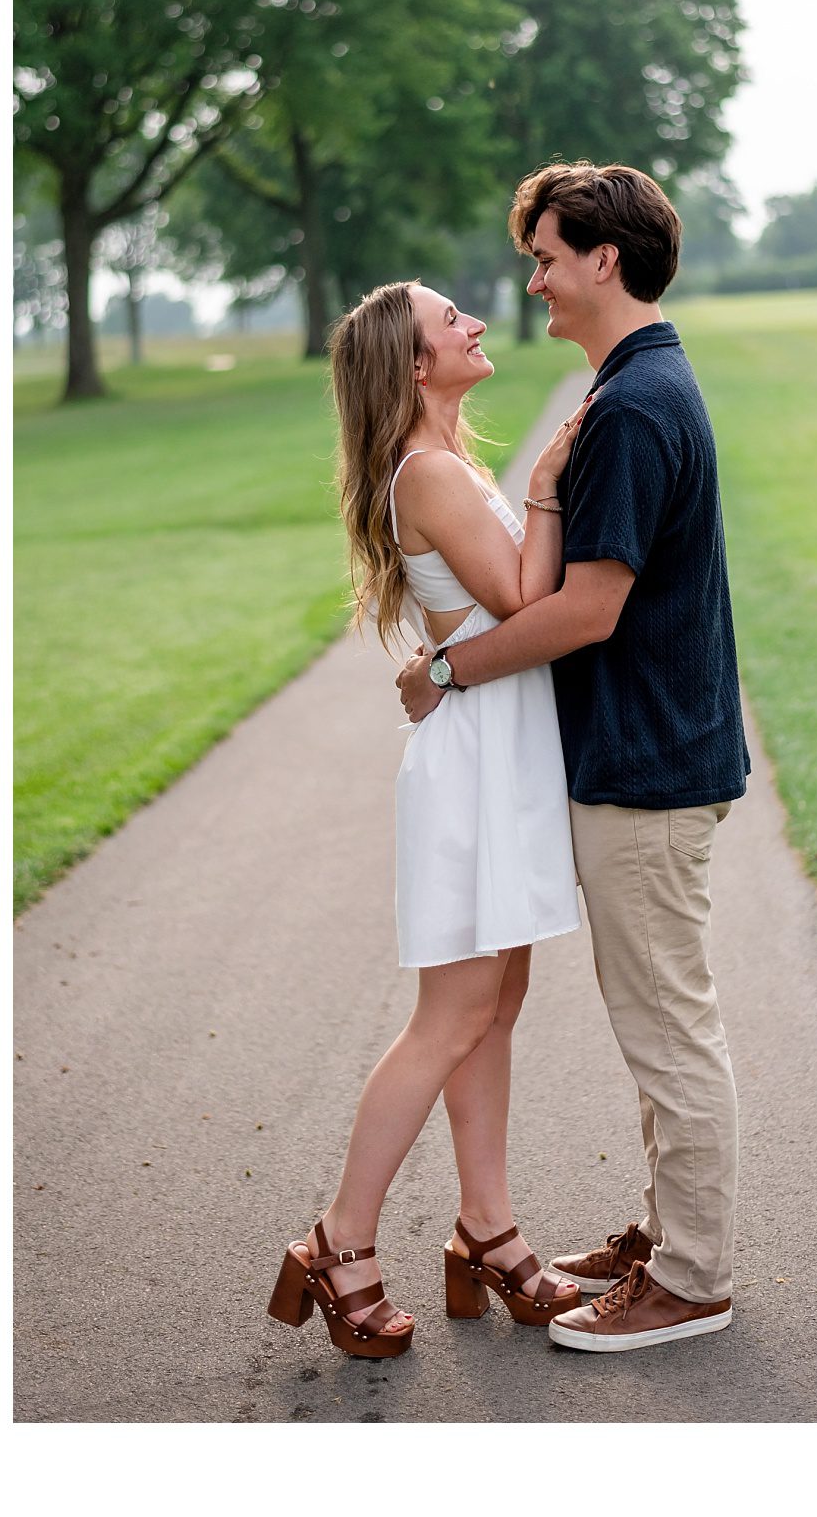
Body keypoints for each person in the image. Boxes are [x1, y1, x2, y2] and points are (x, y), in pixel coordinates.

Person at [398, 161, 752, 1354]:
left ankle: (693, 1277)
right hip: (648, 749)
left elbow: (586, 610)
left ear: (604, 259)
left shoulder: (636, 407)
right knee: (654, 1015)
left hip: (647, 763)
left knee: (666, 1024)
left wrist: (444, 670)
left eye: (546, 256)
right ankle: (668, 1232)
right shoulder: (639, 384)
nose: (533, 281)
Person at [267, 281, 590, 1357]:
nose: (474, 325)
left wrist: (442, 660)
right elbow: (528, 605)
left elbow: (486, 619)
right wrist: (546, 484)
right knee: (451, 1015)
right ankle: (339, 1243)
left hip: (503, 757)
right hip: (472, 774)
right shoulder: (434, 473)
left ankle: (488, 1233)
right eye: (451, 321)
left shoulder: (449, 463)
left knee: (495, 1004)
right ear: (412, 366)